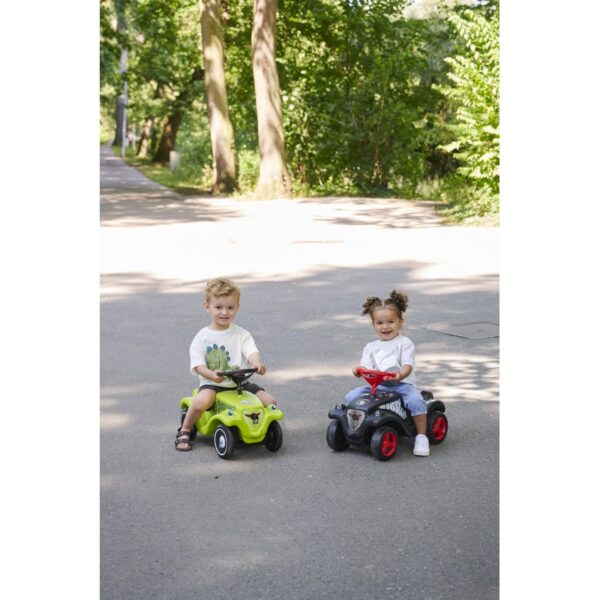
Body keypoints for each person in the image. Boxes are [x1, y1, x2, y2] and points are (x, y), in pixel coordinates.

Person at [175, 278, 277, 451]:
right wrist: (211, 375)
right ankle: (185, 430)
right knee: (201, 402)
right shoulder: (203, 337)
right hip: (214, 384)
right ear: (207, 307)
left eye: (230, 307)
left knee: (270, 401)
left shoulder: (242, 334)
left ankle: (263, 429)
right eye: (218, 307)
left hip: (240, 383)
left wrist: (256, 363)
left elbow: (251, 351)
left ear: (237, 307)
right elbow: (198, 365)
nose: (224, 312)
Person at [346, 290, 430, 457]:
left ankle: (421, 436)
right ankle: (358, 428)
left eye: (390, 322)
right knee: (352, 396)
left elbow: (408, 364)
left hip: (402, 385)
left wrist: (400, 375)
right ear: (373, 324)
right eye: (379, 323)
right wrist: (358, 370)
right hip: (379, 386)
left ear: (400, 321)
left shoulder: (404, 343)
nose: (385, 327)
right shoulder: (371, 347)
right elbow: (366, 367)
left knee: (415, 400)